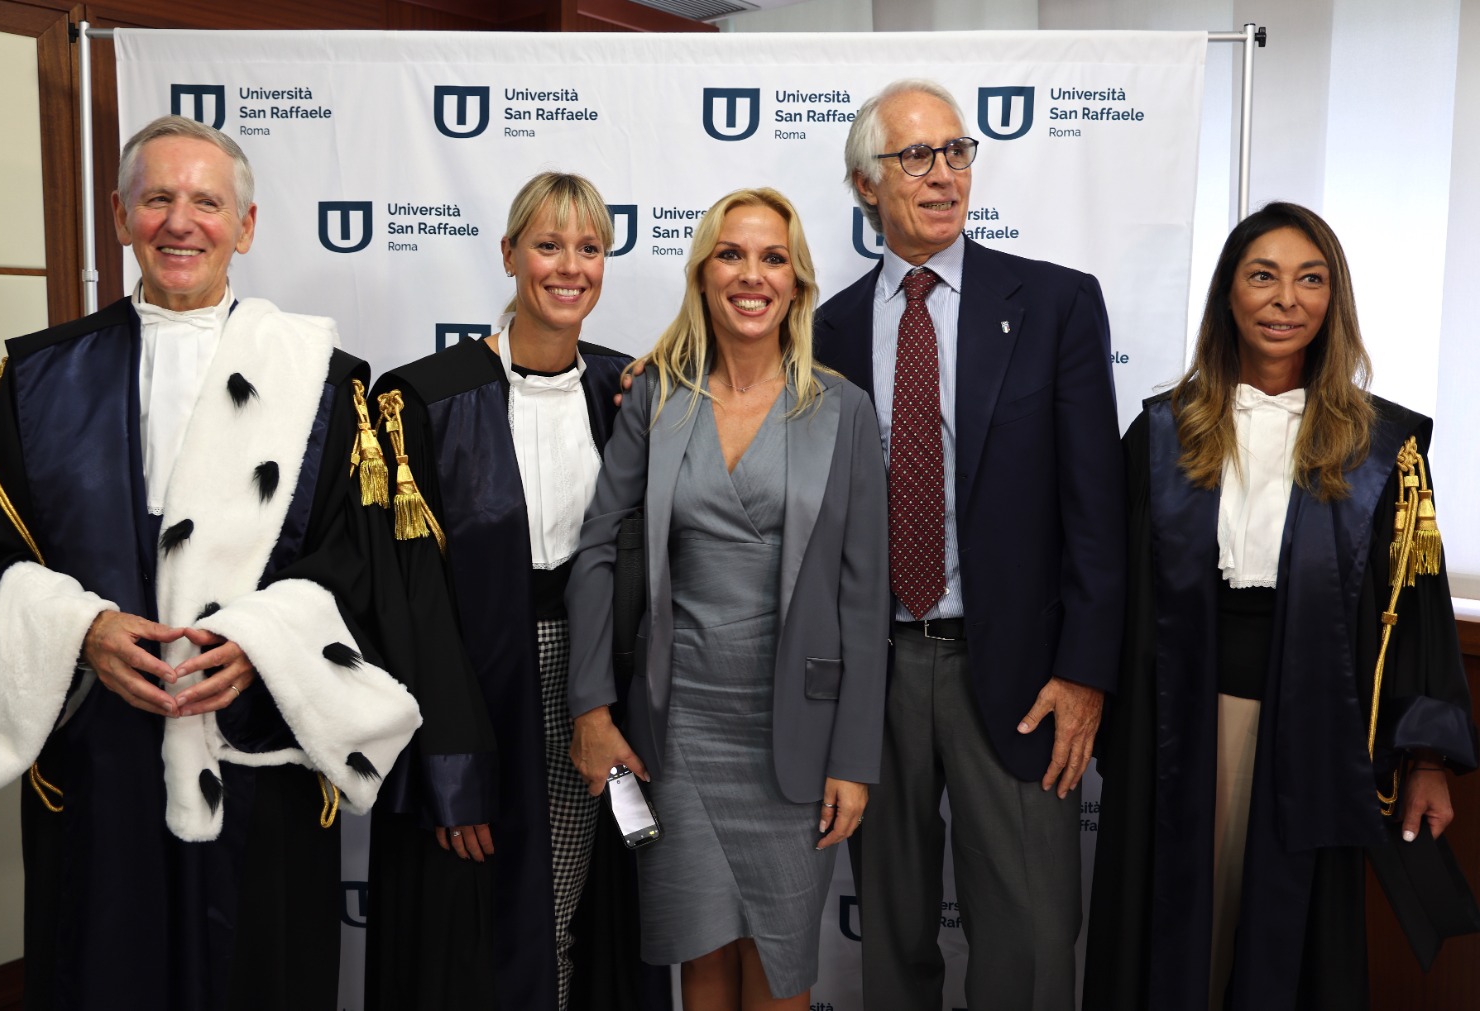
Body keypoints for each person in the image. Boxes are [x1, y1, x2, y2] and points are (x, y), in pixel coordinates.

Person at [0, 115, 443, 1010]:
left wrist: (264, 642)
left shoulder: (326, 387)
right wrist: (82, 628)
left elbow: (363, 566)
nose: (181, 222)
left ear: (245, 227)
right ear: (120, 215)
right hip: (97, 751)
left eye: (207, 202)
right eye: (158, 199)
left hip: (259, 744)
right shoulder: (36, 380)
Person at [1083, 201, 1477, 1011]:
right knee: (1184, 929)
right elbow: (1109, 592)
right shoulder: (1160, 436)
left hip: (1318, 730)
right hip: (1181, 722)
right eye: (1263, 275)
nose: (1285, 298)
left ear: (1334, 301)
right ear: (1229, 293)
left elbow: (1421, 606)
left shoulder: (1383, 451)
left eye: (1310, 279)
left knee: (1284, 945)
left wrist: (1428, 756)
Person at [811, 78, 1127, 1009]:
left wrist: (1084, 673)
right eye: (917, 157)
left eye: (957, 151)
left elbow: (1095, 512)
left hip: (1025, 677)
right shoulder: (822, 330)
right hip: (878, 678)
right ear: (866, 185)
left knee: (1029, 940)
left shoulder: (1057, 304)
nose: (944, 174)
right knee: (892, 938)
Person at [567, 187, 889, 1010]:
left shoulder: (843, 409)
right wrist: (593, 707)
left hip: (800, 735)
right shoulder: (657, 398)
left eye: (773, 257)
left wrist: (854, 759)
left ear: (798, 282)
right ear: (705, 273)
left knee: (784, 970)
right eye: (732, 254)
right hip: (679, 726)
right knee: (700, 959)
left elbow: (862, 596)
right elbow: (599, 547)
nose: (753, 274)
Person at [366, 172, 654, 1011]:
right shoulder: (420, 398)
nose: (570, 267)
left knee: (560, 905)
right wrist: (449, 765)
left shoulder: (626, 390)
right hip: (461, 686)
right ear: (508, 255)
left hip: (586, 681)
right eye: (549, 244)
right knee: (461, 915)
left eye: (590, 247)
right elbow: (405, 600)